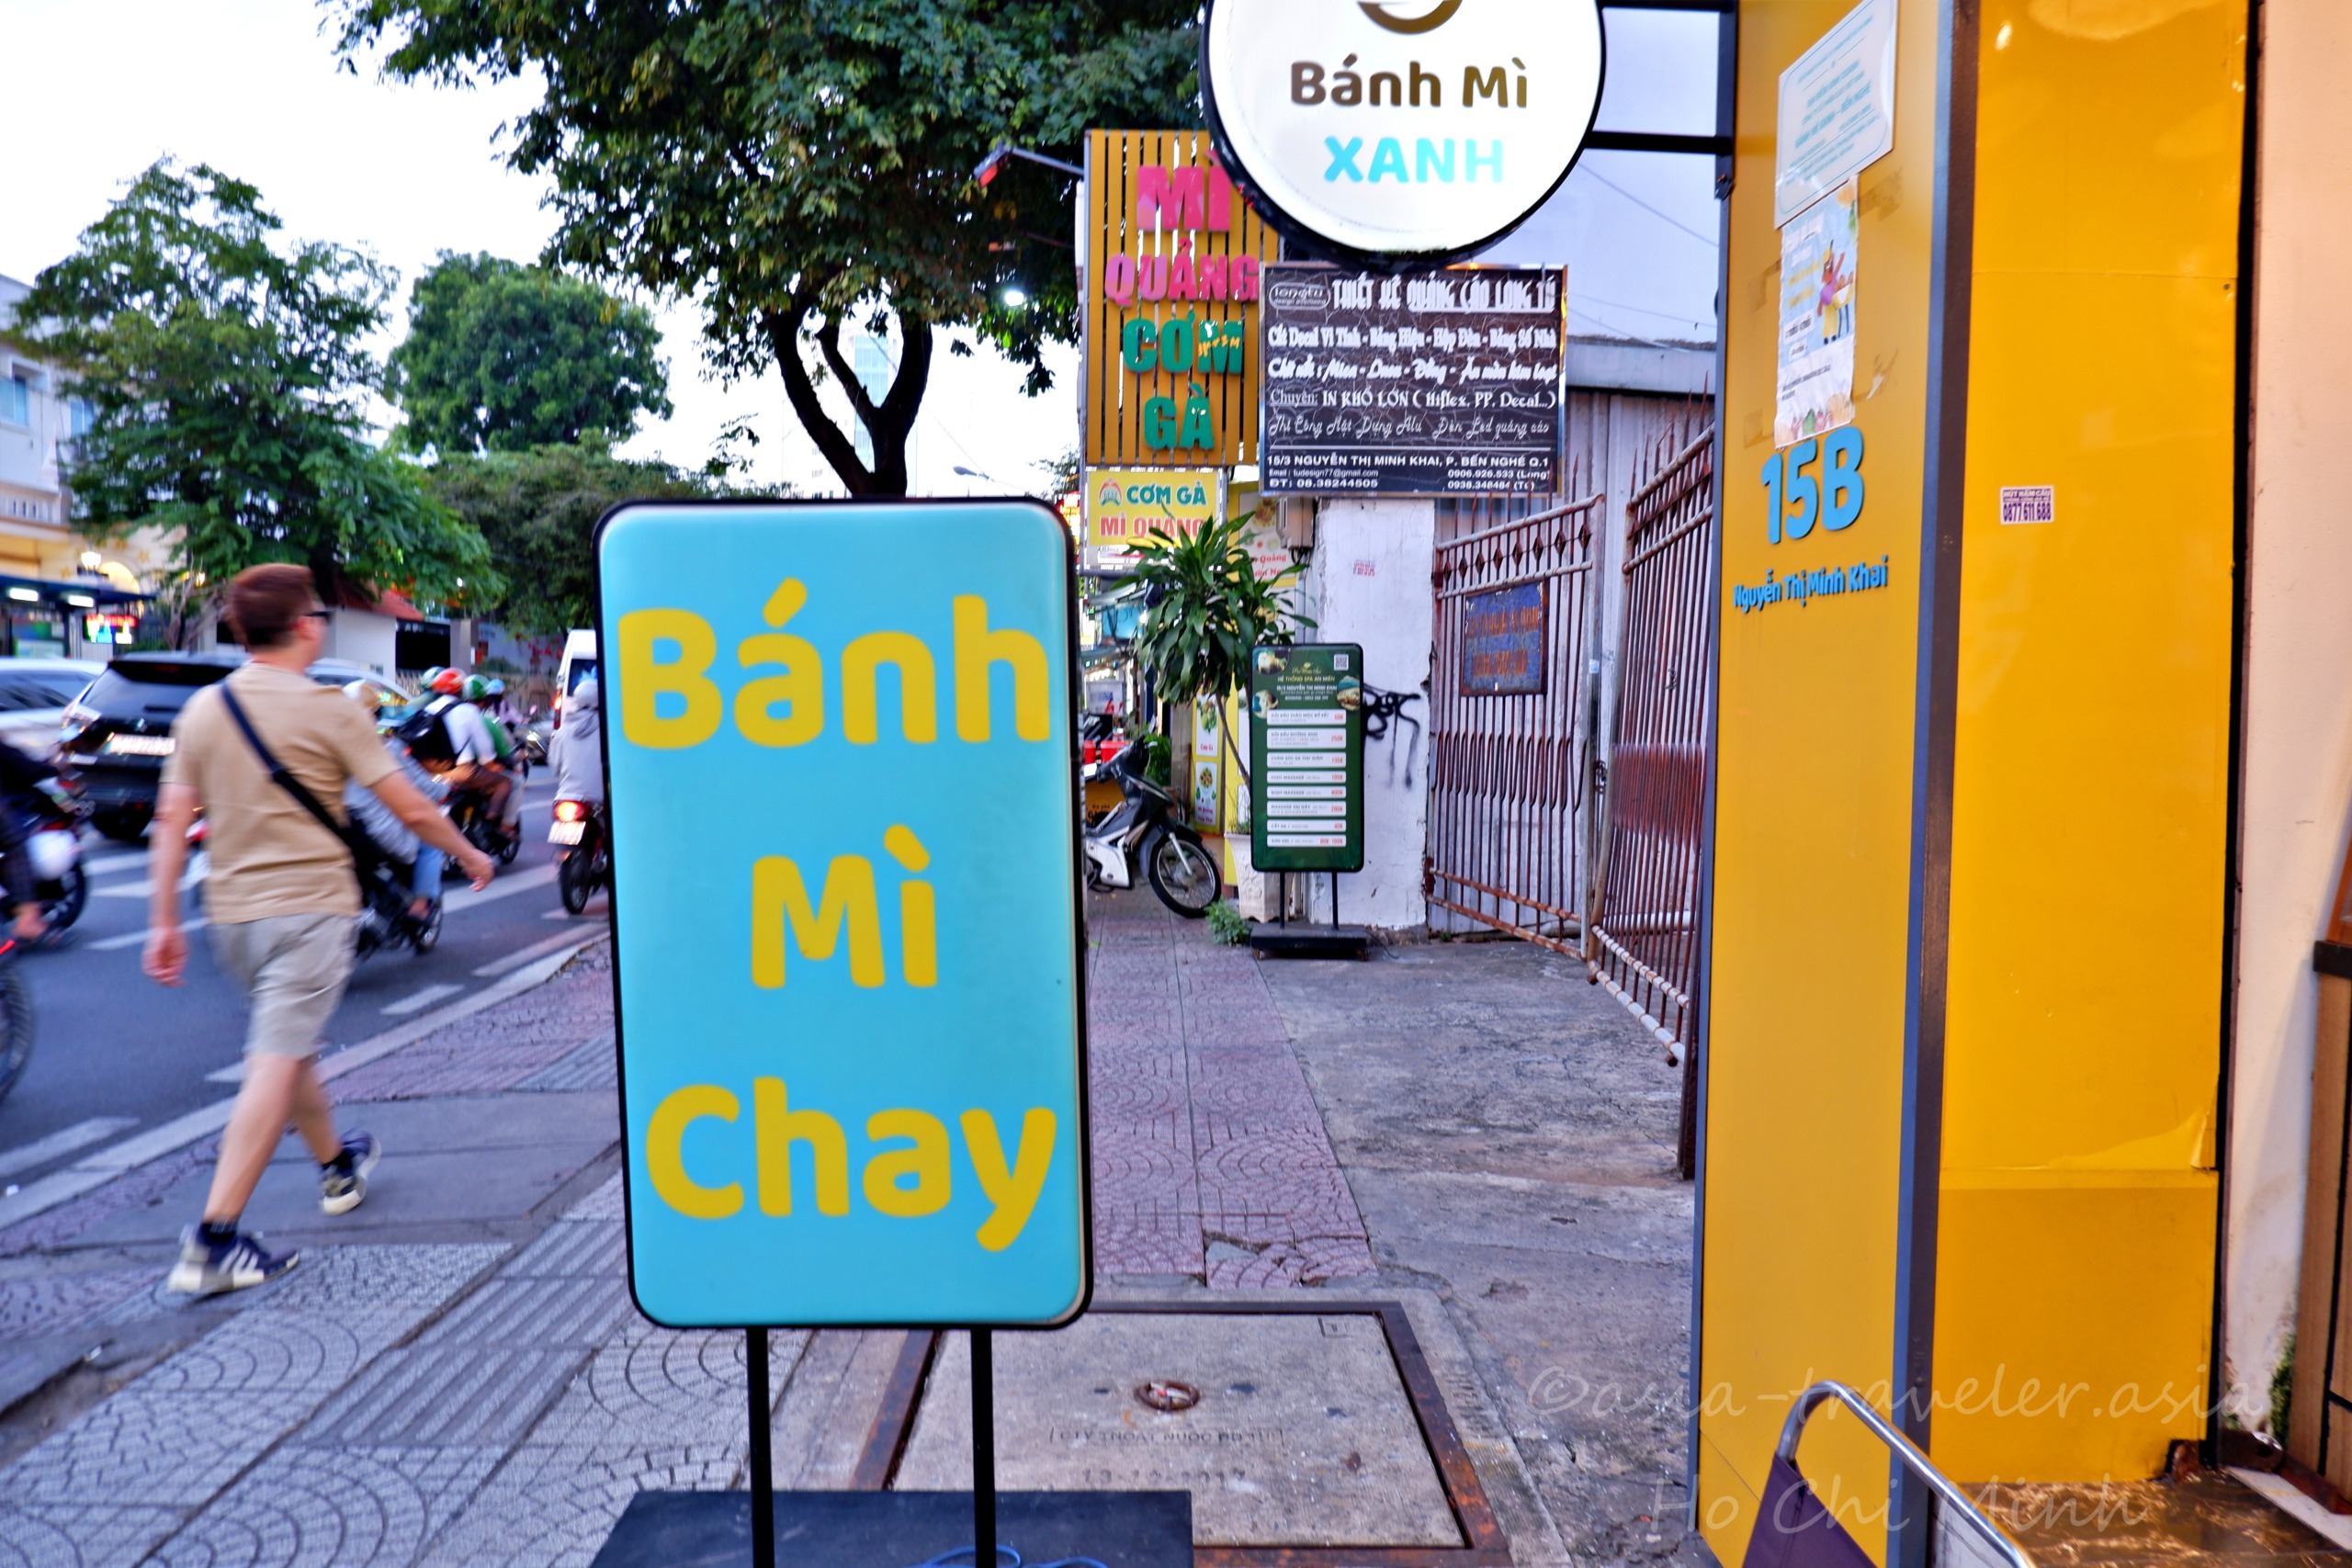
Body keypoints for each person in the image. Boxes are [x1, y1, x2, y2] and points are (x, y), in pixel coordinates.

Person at [144, 565, 495, 1296]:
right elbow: (412, 806)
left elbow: (173, 820)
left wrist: (163, 922)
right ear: (304, 625)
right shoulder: (331, 710)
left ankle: (337, 1162)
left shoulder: (204, 711)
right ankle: (214, 1238)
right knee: (275, 1057)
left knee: (288, 1044)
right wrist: (468, 854)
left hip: (231, 918)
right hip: (309, 913)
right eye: (316, 615)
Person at [341, 682, 449, 920]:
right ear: (375, 715)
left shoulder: (327, 749)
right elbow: (427, 792)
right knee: (431, 840)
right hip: (377, 832)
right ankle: (420, 906)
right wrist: (447, 786)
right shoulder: (387, 748)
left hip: (340, 831)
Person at [550, 676, 604, 807]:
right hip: (599, 798)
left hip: (565, 796)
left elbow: (555, 766)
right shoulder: (608, 731)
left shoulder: (563, 730)